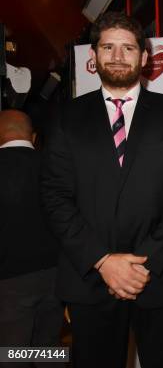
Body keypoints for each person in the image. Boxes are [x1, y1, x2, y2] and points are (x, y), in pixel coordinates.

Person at [41, 12, 163, 368]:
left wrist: (142, 264)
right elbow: (55, 196)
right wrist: (103, 261)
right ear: (94, 56)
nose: (117, 56)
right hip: (90, 279)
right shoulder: (66, 117)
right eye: (108, 47)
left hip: (162, 276)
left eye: (128, 48)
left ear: (144, 58)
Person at [0, 110, 63, 364]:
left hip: (9, 282)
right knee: (49, 347)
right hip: (57, 276)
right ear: (33, 136)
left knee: (11, 354)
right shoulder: (57, 165)